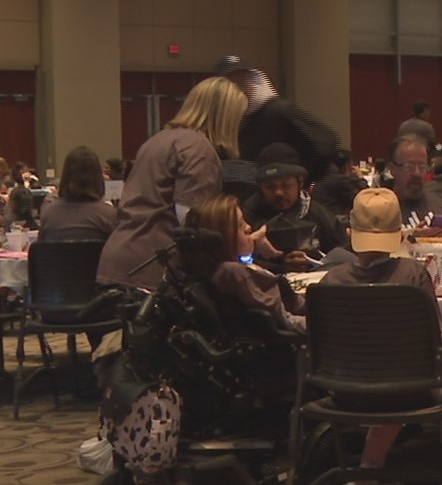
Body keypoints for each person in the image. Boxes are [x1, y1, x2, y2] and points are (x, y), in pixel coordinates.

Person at [319, 188, 442, 485]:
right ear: (401, 234)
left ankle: (368, 474)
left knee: (389, 382)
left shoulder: (330, 280)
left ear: (349, 233)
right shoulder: (412, 275)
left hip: (343, 391)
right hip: (407, 388)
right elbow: (434, 338)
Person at [99, 76, 246, 288]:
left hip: (118, 258)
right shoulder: (199, 149)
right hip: (152, 266)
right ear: (226, 116)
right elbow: (191, 220)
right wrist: (240, 240)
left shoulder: (157, 140)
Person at [179, 195, 304, 337]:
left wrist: (253, 243)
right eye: (239, 225)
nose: (248, 227)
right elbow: (286, 321)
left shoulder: (213, 270)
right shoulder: (233, 272)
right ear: (220, 237)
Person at [215, 55, 339, 184]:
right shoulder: (230, 120)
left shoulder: (278, 110)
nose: (239, 88)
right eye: (232, 83)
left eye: (242, 80)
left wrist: (301, 180)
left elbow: (326, 141)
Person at [243, 145, 346, 272]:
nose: (278, 193)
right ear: (260, 187)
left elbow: (342, 258)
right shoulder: (246, 219)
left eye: (286, 185)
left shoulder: (319, 215)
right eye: (270, 187)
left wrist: (313, 261)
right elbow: (239, 261)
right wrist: (280, 266)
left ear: (300, 182)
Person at [39, 146, 117, 243]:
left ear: (65, 175)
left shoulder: (48, 214)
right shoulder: (109, 215)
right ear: (97, 177)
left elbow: (41, 251)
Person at [312, 150, 365, 218]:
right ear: (347, 165)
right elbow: (364, 197)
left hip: (320, 216)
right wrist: (360, 177)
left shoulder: (325, 174)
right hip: (333, 219)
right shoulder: (339, 180)